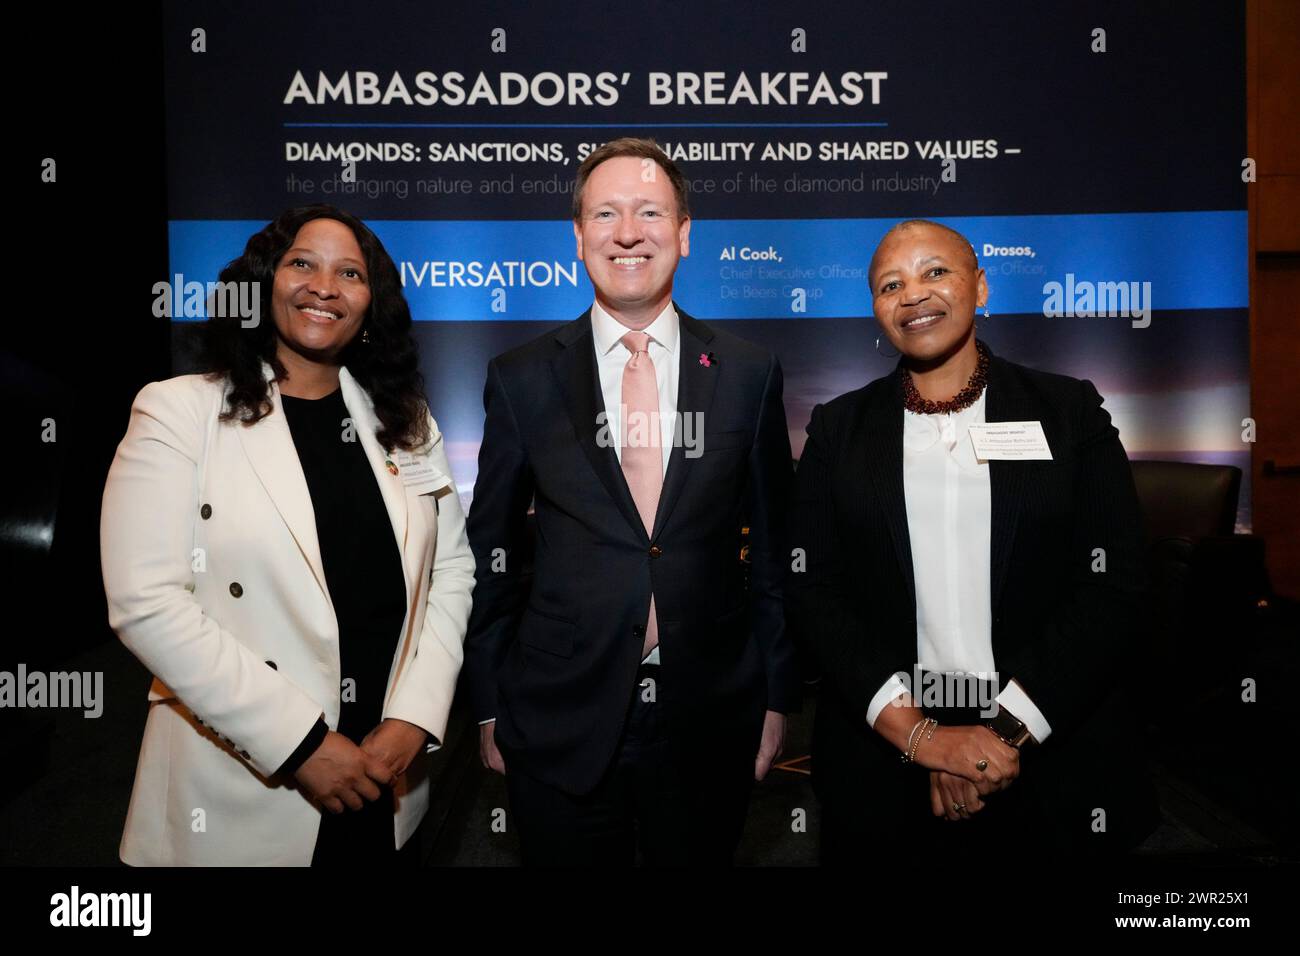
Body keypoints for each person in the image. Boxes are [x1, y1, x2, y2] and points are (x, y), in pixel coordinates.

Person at [101, 203, 475, 865]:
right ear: (265, 280)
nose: (324, 286)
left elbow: (451, 571)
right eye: (303, 263)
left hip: (383, 775)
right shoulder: (178, 410)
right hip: (244, 789)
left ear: (370, 302)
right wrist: (301, 745)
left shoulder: (406, 422)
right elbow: (146, 603)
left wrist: (417, 715)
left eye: (350, 273)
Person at [464, 138, 798, 865]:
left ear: (684, 232)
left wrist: (774, 701)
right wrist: (489, 705)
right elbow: (485, 554)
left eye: (650, 212)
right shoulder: (521, 378)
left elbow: (776, 554)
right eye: (605, 214)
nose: (627, 232)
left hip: (711, 715)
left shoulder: (749, 373)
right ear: (578, 237)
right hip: (558, 718)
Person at [787, 219, 1159, 860]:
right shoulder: (838, 429)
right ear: (875, 309)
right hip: (884, 764)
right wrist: (925, 738)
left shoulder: (1069, 412)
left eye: (936, 272)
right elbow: (813, 591)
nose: (914, 295)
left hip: (1054, 757)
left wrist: (996, 739)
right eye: (890, 285)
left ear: (980, 285)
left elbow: (1112, 586)